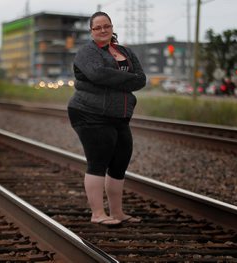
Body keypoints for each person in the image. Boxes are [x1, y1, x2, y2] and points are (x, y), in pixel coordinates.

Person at [67, 11, 146, 226]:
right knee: (98, 161)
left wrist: (118, 79)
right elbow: (98, 75)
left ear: (112, 27)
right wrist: (127, 79)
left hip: (119, 115)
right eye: (97, 27)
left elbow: (141, 80)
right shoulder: (87, 52)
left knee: (120, 162)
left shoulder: (125, 51)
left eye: (106, 26)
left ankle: (117, 213)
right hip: (89, 113)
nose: (103, 30)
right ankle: (98, 214)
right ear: (91, 31)